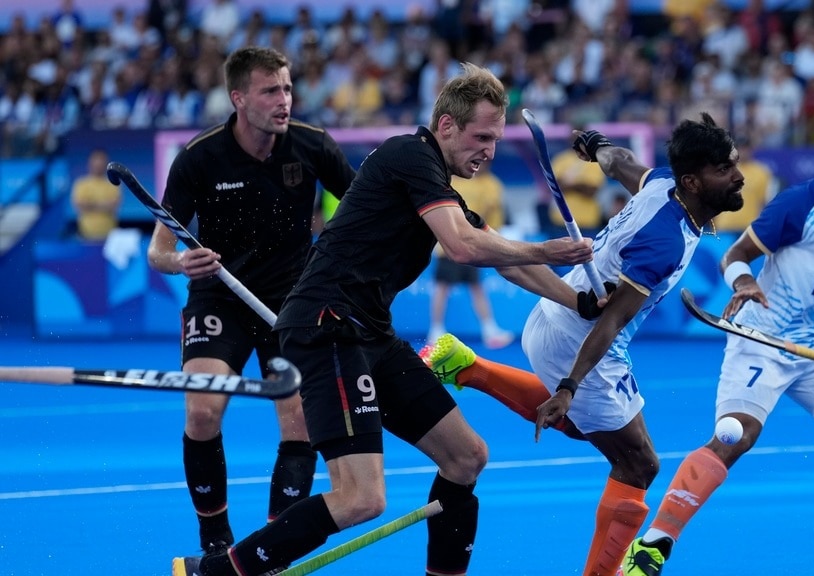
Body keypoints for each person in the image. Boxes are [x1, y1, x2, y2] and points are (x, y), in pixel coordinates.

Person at [173, 62, 595, 576]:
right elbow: (463, 247)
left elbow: (504, 259)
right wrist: (548, 250)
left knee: (466, 457)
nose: (489, 150)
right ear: (446, 126)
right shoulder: (409, 155)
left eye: (495, 140)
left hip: (368, 332)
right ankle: (216, 571)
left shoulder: (436, 184)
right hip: (327, 327)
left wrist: (581, 303)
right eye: (481, 137)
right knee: (361, 498)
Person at [425, 112, 746, 575]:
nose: (738, 176)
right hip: (580, 340)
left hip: (553, 317)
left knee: (587, 429)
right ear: (693, 182)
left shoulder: (662, 182)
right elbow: (612, 320)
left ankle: (470, 368)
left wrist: (596, 145)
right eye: (725, 169)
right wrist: (569, 387)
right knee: (638, 464)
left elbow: (620, 161)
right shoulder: (665, 244)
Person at [623, 107, 814, 576]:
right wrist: (743, 282)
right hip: (761, 339)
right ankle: (652, 547)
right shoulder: (803, 203)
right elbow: (736, 256)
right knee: (735, 436)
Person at [149, 46, 357, 559]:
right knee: (202, 412)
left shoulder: (313, 145)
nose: (284, 100)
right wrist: (182, 262)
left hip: (292, 302)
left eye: (287, 88)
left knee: (299, 423)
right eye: (270, 91)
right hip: (218, 297)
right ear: (238, 98)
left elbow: (362, 209)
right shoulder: (199, 158)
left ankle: (270, 552)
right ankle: (216, 543)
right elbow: (159, 252)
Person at [428, 161, 515, 349]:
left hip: (473, 245)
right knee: (442, 288)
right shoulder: (452, 180)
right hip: (448, 245)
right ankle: (435, 330)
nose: (482, 164)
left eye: (485, 162)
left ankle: (489, 330)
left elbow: (492, 214)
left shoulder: (492, 184)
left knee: (476, 287)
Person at [541, 126, 608, 238]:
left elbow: (591, 191)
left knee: (589, 250)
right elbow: (555, 187)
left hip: (588, 222)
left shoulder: (594, 161)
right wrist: (581, 184)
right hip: (561, 223)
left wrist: (570, 184)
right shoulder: (561, 159)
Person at [712, 135, 778, 233]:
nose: (742, 152)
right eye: (739, 148)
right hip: (725, 226)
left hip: (749, 227)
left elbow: (765, 202)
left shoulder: (761, 172)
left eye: (745, 148)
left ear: (751, 149)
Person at [70, 148, 122, 242]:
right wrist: (104, 205)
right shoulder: (81, 183)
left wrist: (90, 205)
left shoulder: (113, 183)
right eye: (96, 160)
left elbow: (113, 206)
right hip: (85, 236)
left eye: (101, 160)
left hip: (109, 237)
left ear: (106, 164)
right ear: (90, 163)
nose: (98, 163)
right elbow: (80, 205)